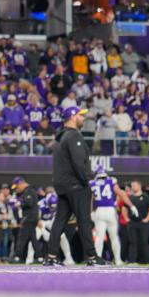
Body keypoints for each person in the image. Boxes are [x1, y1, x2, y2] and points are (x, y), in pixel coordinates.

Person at [45, 106, 104, 266]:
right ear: (72, 117)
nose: (83, 118)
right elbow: (79, 163)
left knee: (59, 221)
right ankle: (91, 257)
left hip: (63, 186)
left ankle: (51, 256)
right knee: (84, 221)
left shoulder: (60, 137)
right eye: (80, 115)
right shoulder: (73, 136)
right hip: (76, 185)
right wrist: (87, 181)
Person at [90, 166, 137, 265]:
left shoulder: (92, 183)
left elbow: (90, 199)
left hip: (99, 211)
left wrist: (91, 212)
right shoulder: (111, 181)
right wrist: (131, 206)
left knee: (99, 237)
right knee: (114, 237)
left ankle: (97, 259)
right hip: (110, 210)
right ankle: (118, 259)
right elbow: (121, 194)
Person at [11, 176, 40, 264]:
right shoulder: (28, 191)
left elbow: (29, 203)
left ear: (21, 183)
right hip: (31, 218)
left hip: (29, 218)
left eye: (17, 186)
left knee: (22, 238)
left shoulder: (29, 191)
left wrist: (19, 203)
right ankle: (40, 257)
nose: (17, 188)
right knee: (33, 238)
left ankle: (17, 257)